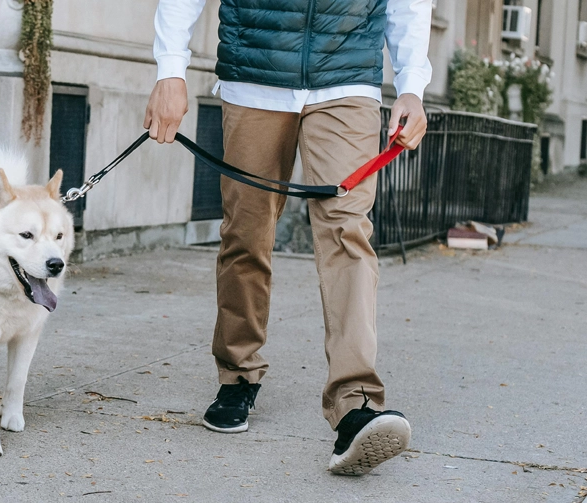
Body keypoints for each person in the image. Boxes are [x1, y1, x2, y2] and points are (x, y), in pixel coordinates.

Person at [145, 0, 432, 475]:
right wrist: (170, 69)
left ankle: (356, 401)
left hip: (348, 78)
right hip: (255, 75)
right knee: (246, 233)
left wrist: (411, 87)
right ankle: (237, 373)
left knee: (348, 234)